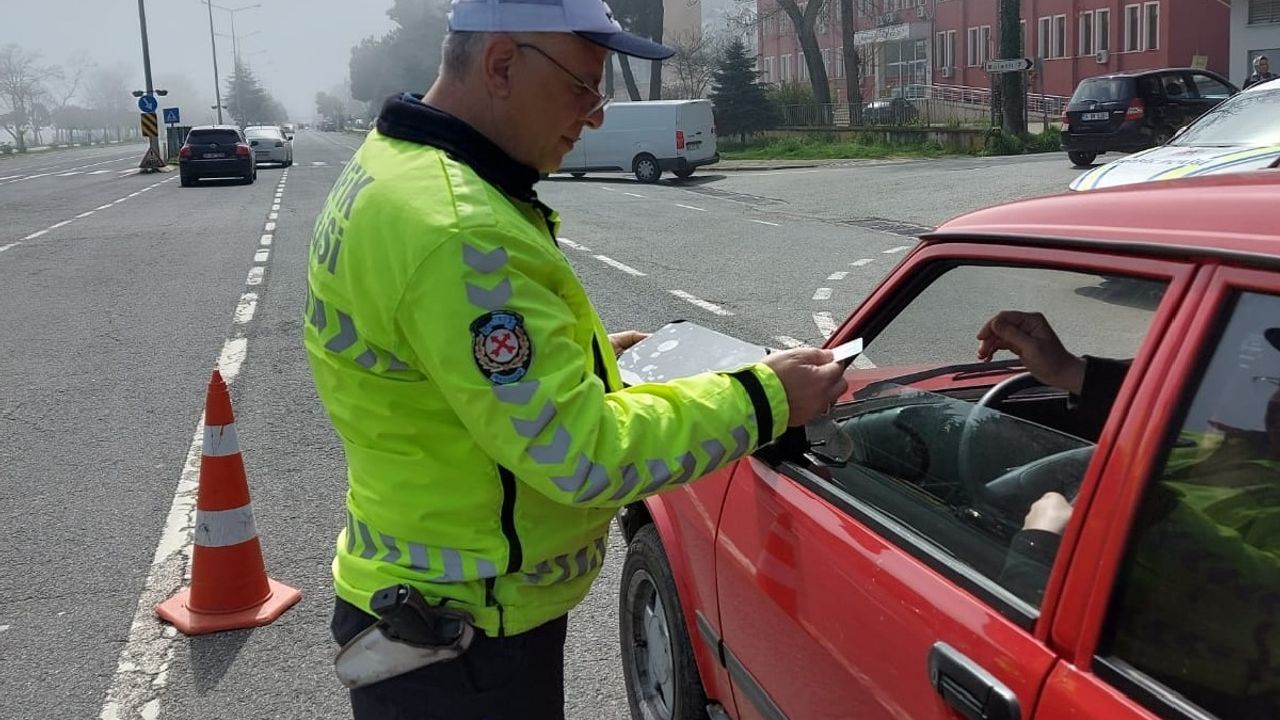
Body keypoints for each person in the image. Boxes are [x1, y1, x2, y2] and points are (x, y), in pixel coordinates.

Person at [302, 0, 848, 716]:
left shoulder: (392, 170)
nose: (595, 115)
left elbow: (436, 367)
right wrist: (765, 397)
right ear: (502, 64)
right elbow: (581, 455)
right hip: (467, 637)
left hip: (422, 597)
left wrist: (577, 362)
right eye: (582, 86)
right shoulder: (461, 230)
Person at [979, 310, 1280, 713]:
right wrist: (1068, 371)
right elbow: (1160, 412)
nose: (1257, 389)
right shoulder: (1209, 442)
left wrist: (1039, 547)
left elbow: (1009, 655)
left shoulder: (1260, 507)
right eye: (1255, 370)